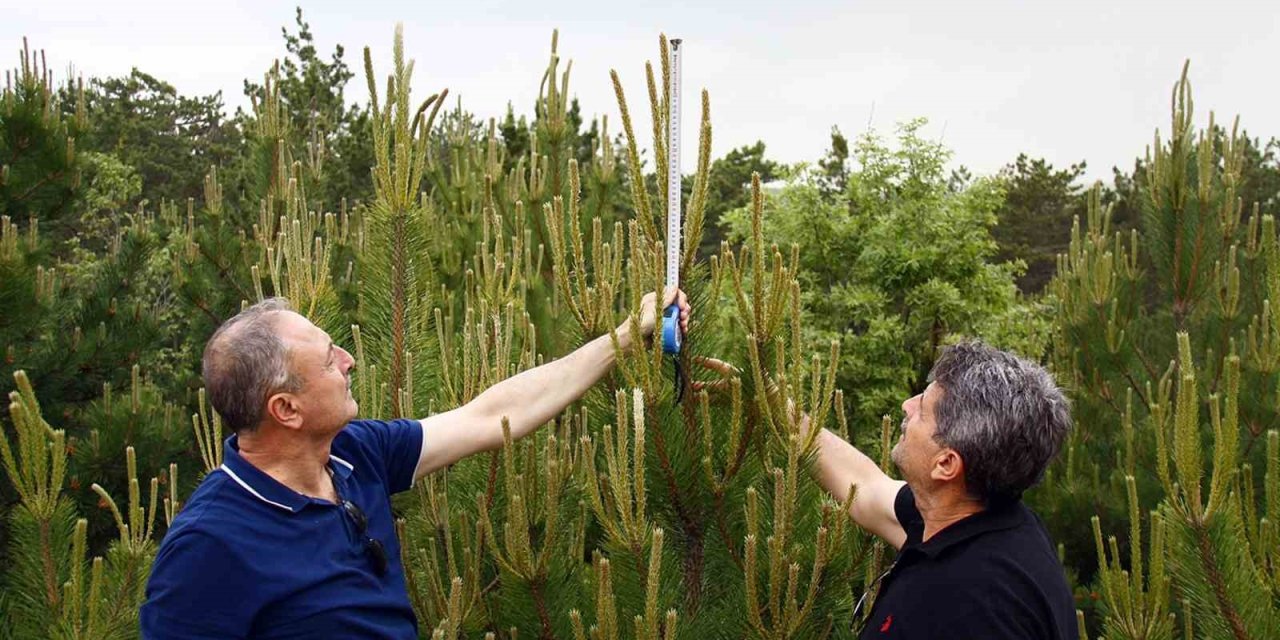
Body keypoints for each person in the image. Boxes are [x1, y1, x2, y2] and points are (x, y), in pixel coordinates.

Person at [140, 289, 689, 639]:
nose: (349, 360)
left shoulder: (355, 455)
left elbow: (492, 415)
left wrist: (624, 337)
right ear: (286, 409)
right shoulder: (209, 545)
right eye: (331, 358)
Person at [699, 341, 1077, 638]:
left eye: (924, 408)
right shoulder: (980, 519)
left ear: (946, 464)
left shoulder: (972, 608)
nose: (907, 405)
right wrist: (772, 406)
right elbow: (864, 486)